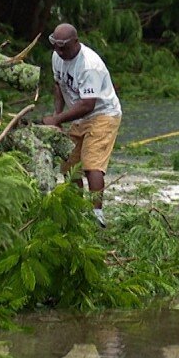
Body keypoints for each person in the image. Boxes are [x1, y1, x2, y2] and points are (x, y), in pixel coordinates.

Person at [41, 23, 122, 228]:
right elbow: (58, 85)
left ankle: (97, 215)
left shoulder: (89, 65)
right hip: (78, 117)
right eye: (55, 46)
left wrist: (58, 120)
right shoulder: (57, 57)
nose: (59, 51)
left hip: (102, 115)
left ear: (75, 42)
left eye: (64, 47)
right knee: (69, 164)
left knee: (91, 164)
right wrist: (57, 115)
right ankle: (77, 210)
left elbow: (88, 105)